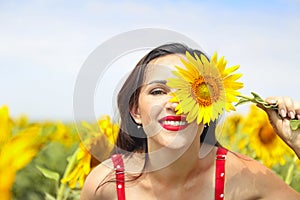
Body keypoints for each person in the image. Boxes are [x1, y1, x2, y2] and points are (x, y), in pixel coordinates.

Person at [80, 43, 300, 199]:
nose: (176, 103)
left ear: (212, 106)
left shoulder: (244, 177)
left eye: (190, 92)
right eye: (158, 91)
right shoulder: (104, 184)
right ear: (135, 111)